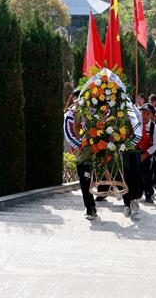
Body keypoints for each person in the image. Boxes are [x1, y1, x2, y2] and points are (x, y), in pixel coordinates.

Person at [64, 88, 97, 220]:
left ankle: (92, 205)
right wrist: (80, 145)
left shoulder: (90, 113)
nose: (80, 101)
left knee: (90, 179)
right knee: (84, 179)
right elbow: (68, 134)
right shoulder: (70, 115)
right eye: (77, 98)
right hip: (80, 154)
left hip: (94, 152)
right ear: (74, 99)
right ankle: (89, 208)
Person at [137, 104, 156, 205]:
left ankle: (149, 194)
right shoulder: (136, 124)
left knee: (147, 176)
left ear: (151, 115)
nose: (144, 116)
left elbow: (155, 144)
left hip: (147, 155)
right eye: (142, 113)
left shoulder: (154, 128)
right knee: (136, 175)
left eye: (147, 113)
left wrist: (145, 155)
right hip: (136, 153)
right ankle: (137, 194)